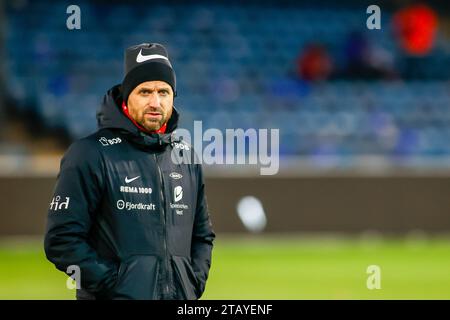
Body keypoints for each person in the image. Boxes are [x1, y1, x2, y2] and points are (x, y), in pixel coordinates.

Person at [44, 43, 215, 300]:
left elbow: (202, 236)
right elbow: (61, 240)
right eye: (145, 91)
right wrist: (115, 285)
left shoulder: (186, 156)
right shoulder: (90, 153)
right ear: (126, 97)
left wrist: (193, 283)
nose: (155, 102)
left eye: (163, 92)